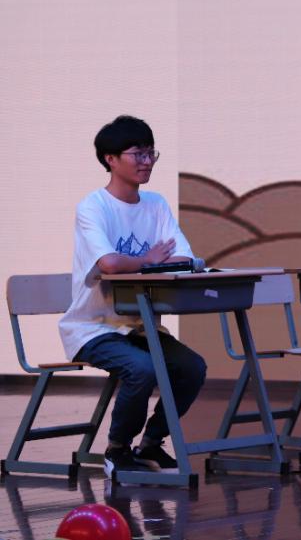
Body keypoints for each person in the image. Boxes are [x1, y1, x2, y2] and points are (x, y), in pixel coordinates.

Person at [58, 115, 207, 478]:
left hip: (140, 328)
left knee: (192, 368)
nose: (146, 162)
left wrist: (145, 263)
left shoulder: (155, 204)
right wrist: (149, 261)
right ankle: (117, 449)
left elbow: (184, 259)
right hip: (93, 328)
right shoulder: (93, 207)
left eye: (150, 153)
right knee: (141, 369)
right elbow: (109, 263)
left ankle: (151, 443)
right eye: (138, 153)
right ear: (110, 159)